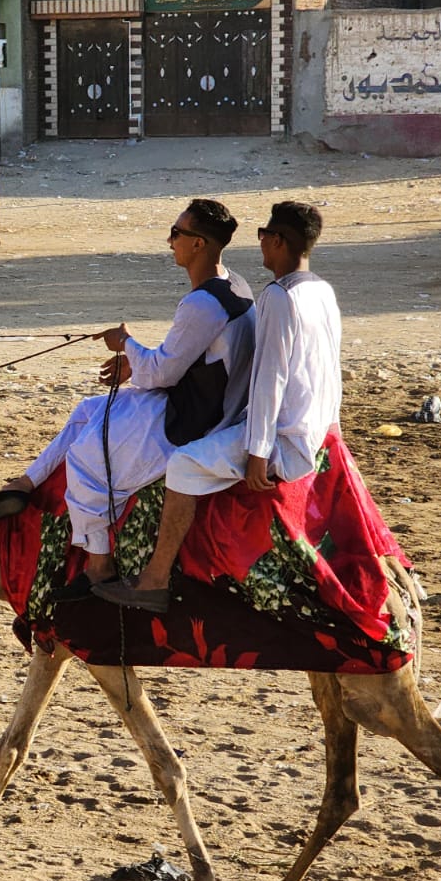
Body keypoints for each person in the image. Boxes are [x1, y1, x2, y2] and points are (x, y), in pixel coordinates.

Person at [0, 200, 255, 596]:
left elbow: (162, 371)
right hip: (206, 402)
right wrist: (135, 363)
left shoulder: (202, 303)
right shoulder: (235, 284)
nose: (169, 241)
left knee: (86, 457)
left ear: (199, 244)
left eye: (177, 233)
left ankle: (99, 567)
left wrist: (125, 344)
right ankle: (24, 483)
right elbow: (187, 358)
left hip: (192, 421)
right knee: (89, 410)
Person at [96, 201, 340, 614]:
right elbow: (330, 369)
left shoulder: (278, 296)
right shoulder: (321, 289)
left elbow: (271, 378)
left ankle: (153, 579)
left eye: (264, 234)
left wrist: (259, 453)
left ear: (277, 240)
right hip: (313, 428)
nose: (260, 242)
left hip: (282, 436)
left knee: (184, 465)